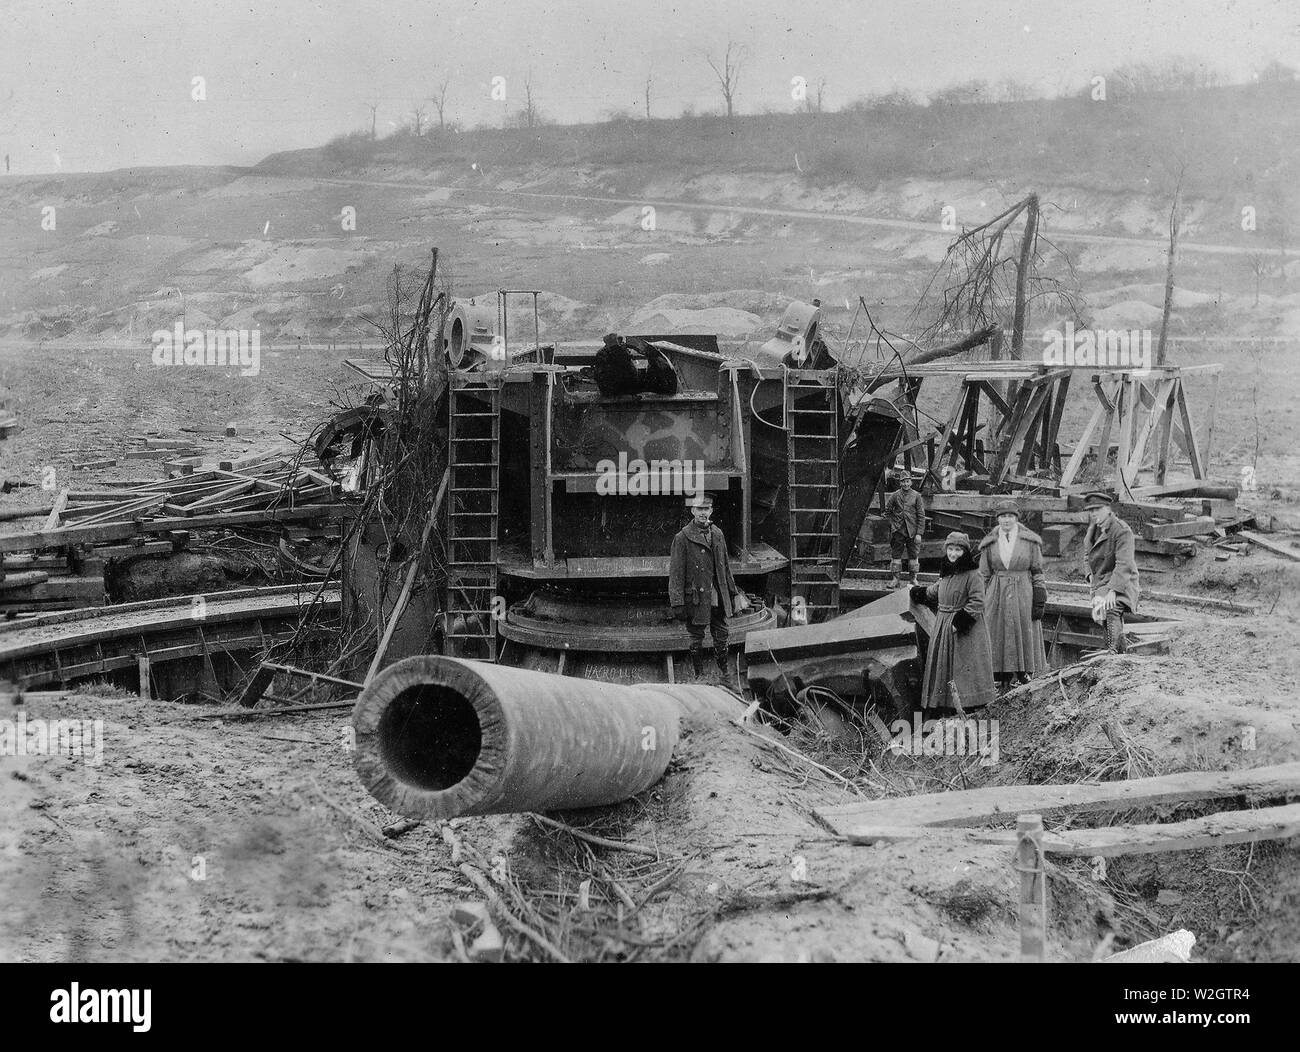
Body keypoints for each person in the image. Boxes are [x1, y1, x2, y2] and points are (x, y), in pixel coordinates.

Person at [909, 532, 995, 712]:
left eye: (957, 550)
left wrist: (959, 622)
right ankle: (945, 705)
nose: (953, 554)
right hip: (943, 623)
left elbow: (978, 602)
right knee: (944, 669)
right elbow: (937, 590)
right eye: (950, 549)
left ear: (964, 552)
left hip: (964, 631)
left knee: (963, 669)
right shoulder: (948, 571)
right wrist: (919, 593)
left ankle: (970, 704)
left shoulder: (973, 574)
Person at [669, 493, 750, 678]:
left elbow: (725, 567)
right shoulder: (682, 538)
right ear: (692, 511)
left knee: (721, 634)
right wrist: (677, 602)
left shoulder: (718, 533)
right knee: (696, 637)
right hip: (697, 597)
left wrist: (733, 592)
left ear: (711, 510)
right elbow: (675, 574)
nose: (703, 513)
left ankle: (724, 674)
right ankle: (699, 675)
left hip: (718, 595)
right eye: (699, 509)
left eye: (706, 509)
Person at [978, 498, 1047, 688]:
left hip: (1024, 590)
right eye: (1002, 517)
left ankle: (1023, 673)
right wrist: (979, 599)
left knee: (1024, 628)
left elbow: (1037, 571)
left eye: (1010, 516)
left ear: (1016, 518)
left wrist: (1040, 595)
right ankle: (1002, 676)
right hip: (997, 591)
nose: (1006, 520)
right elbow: (984, 574)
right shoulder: (989, 543)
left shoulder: (1030, 541)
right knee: (997, 630)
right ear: (997, 519)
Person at [1082, 491, 1140, 653]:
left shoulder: (1121, 531)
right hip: (1101, 582)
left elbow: (1124, 563)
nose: (1094, 514)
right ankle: (1112, 648)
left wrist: (1113, 591)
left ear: (1108, 509)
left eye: (1098, 509)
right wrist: (1090, 577)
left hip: (1123, 582)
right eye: (1091, 510)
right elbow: (1087, 555)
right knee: (1100, 614)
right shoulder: (1093, 530)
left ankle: (1114, 651)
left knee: (1112, 608)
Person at [884, 470, 926, 589]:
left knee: (913, 555)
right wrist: (893, 525)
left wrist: (919, 533)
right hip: (898, 531)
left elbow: (921, 516)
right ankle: (895, 579)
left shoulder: (917, 496)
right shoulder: (895, 495)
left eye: (907, 481)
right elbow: (887, 512)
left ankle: (913, 579)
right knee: (896, 555)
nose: (905, 484)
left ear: (911, 482)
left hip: (912, 531)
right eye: (903, 482)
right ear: (900, 483)